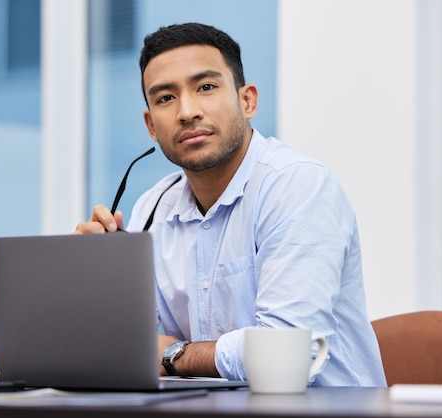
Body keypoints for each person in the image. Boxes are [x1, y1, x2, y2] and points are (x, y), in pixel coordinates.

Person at [75, 22, 387, 387]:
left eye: (206, 87)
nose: (187, 111)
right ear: (151, 127)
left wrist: (173, 353)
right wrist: (95, 279)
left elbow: (285, 356)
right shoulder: (152, 208)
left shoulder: (298, 186)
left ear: (247, 100)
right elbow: (121, 347)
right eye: (165, 98)